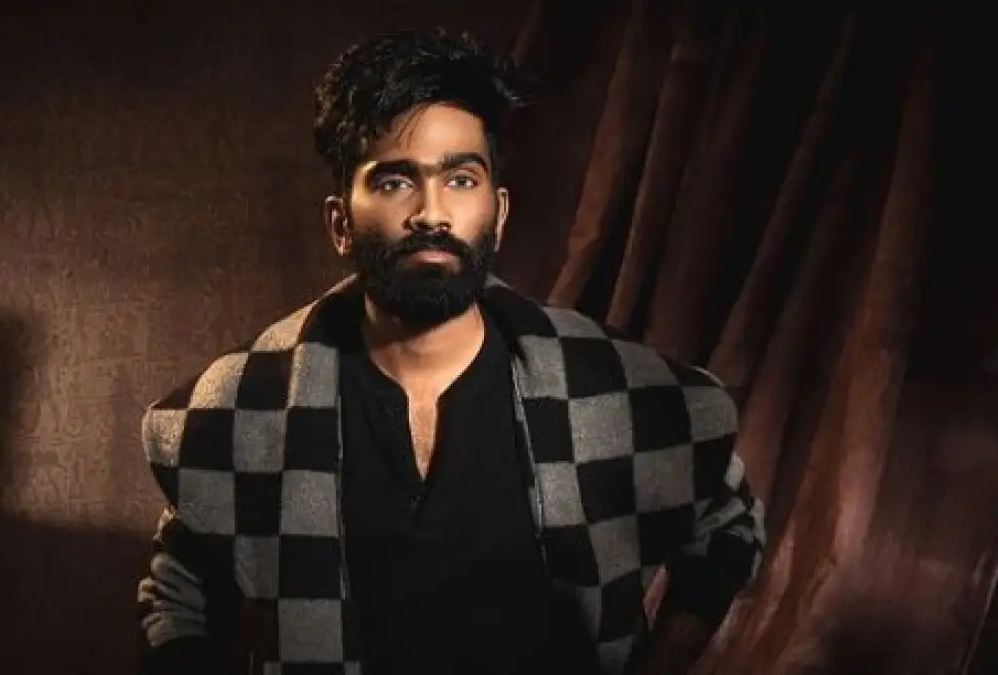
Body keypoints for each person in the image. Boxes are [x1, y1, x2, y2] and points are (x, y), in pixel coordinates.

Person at [136, 28, 766, 675]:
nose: (432, 213)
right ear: (340, 224)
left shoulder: (611, 389)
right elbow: (176, 594)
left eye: (461, 179)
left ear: (499, 212)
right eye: (394, 181)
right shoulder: (246, 406)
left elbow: (729, 528)